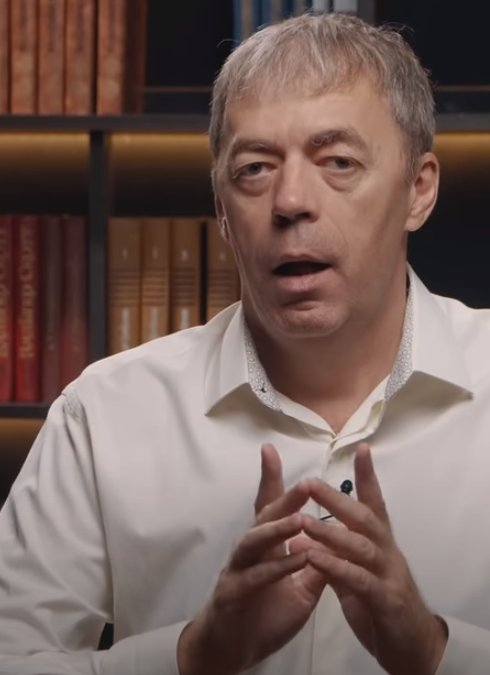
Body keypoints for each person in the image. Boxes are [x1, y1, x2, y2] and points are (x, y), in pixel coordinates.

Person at [1, 11, 490, 675]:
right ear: (222, 210)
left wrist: (437, 652)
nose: (290, 201)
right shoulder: (104, 414)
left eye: (338, 162)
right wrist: (193, 655)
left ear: (418, 190)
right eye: (255, 168)